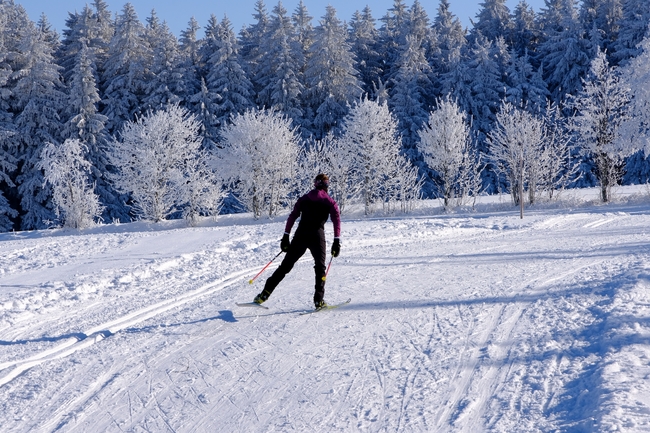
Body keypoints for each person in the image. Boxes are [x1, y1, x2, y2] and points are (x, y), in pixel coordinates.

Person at [254, 173, 341, 309]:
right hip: (317, 236)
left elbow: (292, 216)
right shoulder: (330, 202)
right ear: (326, 185)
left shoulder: (304, 199)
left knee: (285, 267)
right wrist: (336, 240)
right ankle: (319, 300)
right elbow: (337, 220)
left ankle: (265, 293)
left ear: (315, 184)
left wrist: (286, 236)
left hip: (301, 235)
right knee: (320, 268)